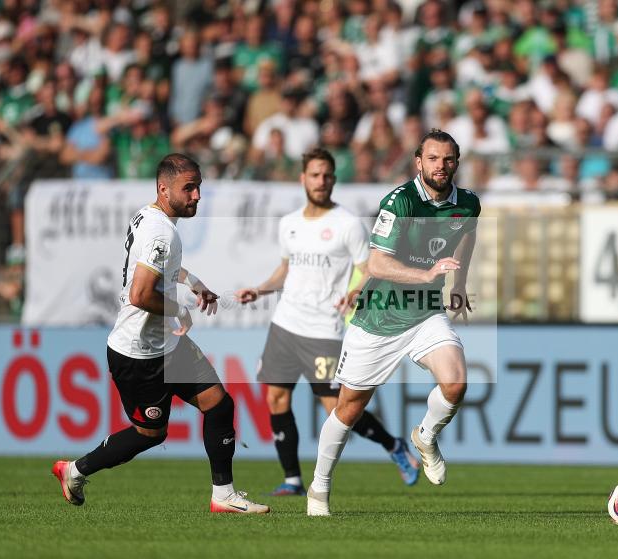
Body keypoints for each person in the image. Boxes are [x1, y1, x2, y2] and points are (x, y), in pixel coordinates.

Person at [52, 153, 269, 514]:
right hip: (138, 353)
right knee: (151, 434)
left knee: (219, 403)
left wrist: (192, 281)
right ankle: (74, 470)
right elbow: (140, 294)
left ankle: (224, 495)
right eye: (189, 188)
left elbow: (157, 265)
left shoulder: (149, 216)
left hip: (167, 345)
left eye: (198, 186)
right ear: (164, 189)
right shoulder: (161, 231)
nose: (197, 195)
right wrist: (181, 309)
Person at [306, 130, 481, 516]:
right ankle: (318, 488)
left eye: (448, 159)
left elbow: (466, 235)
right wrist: (426, 274)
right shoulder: (399, 202)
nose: (441, 166)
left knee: (456, 381)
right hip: (379, 318)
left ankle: (426, 437)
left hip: (425, 314)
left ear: (457, 162)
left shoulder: (467, 204)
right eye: (433, 159)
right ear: (418, 162)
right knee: (348, 409)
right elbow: (377, 263)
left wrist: (460, 281)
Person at [235, 148, 420, 496]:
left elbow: (371, 270)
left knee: (338, 410)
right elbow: (286, 270)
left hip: (324, 331)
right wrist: (260, 290)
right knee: (276, 399)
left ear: (334, 179)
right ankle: (292, 479)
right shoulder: (288, 223)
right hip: (285, 325)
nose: (321, 181)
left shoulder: (348, 224)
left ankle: (393, 445)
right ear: (303, 178)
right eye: (315, 175)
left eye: (327, 176)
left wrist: (356, 292)